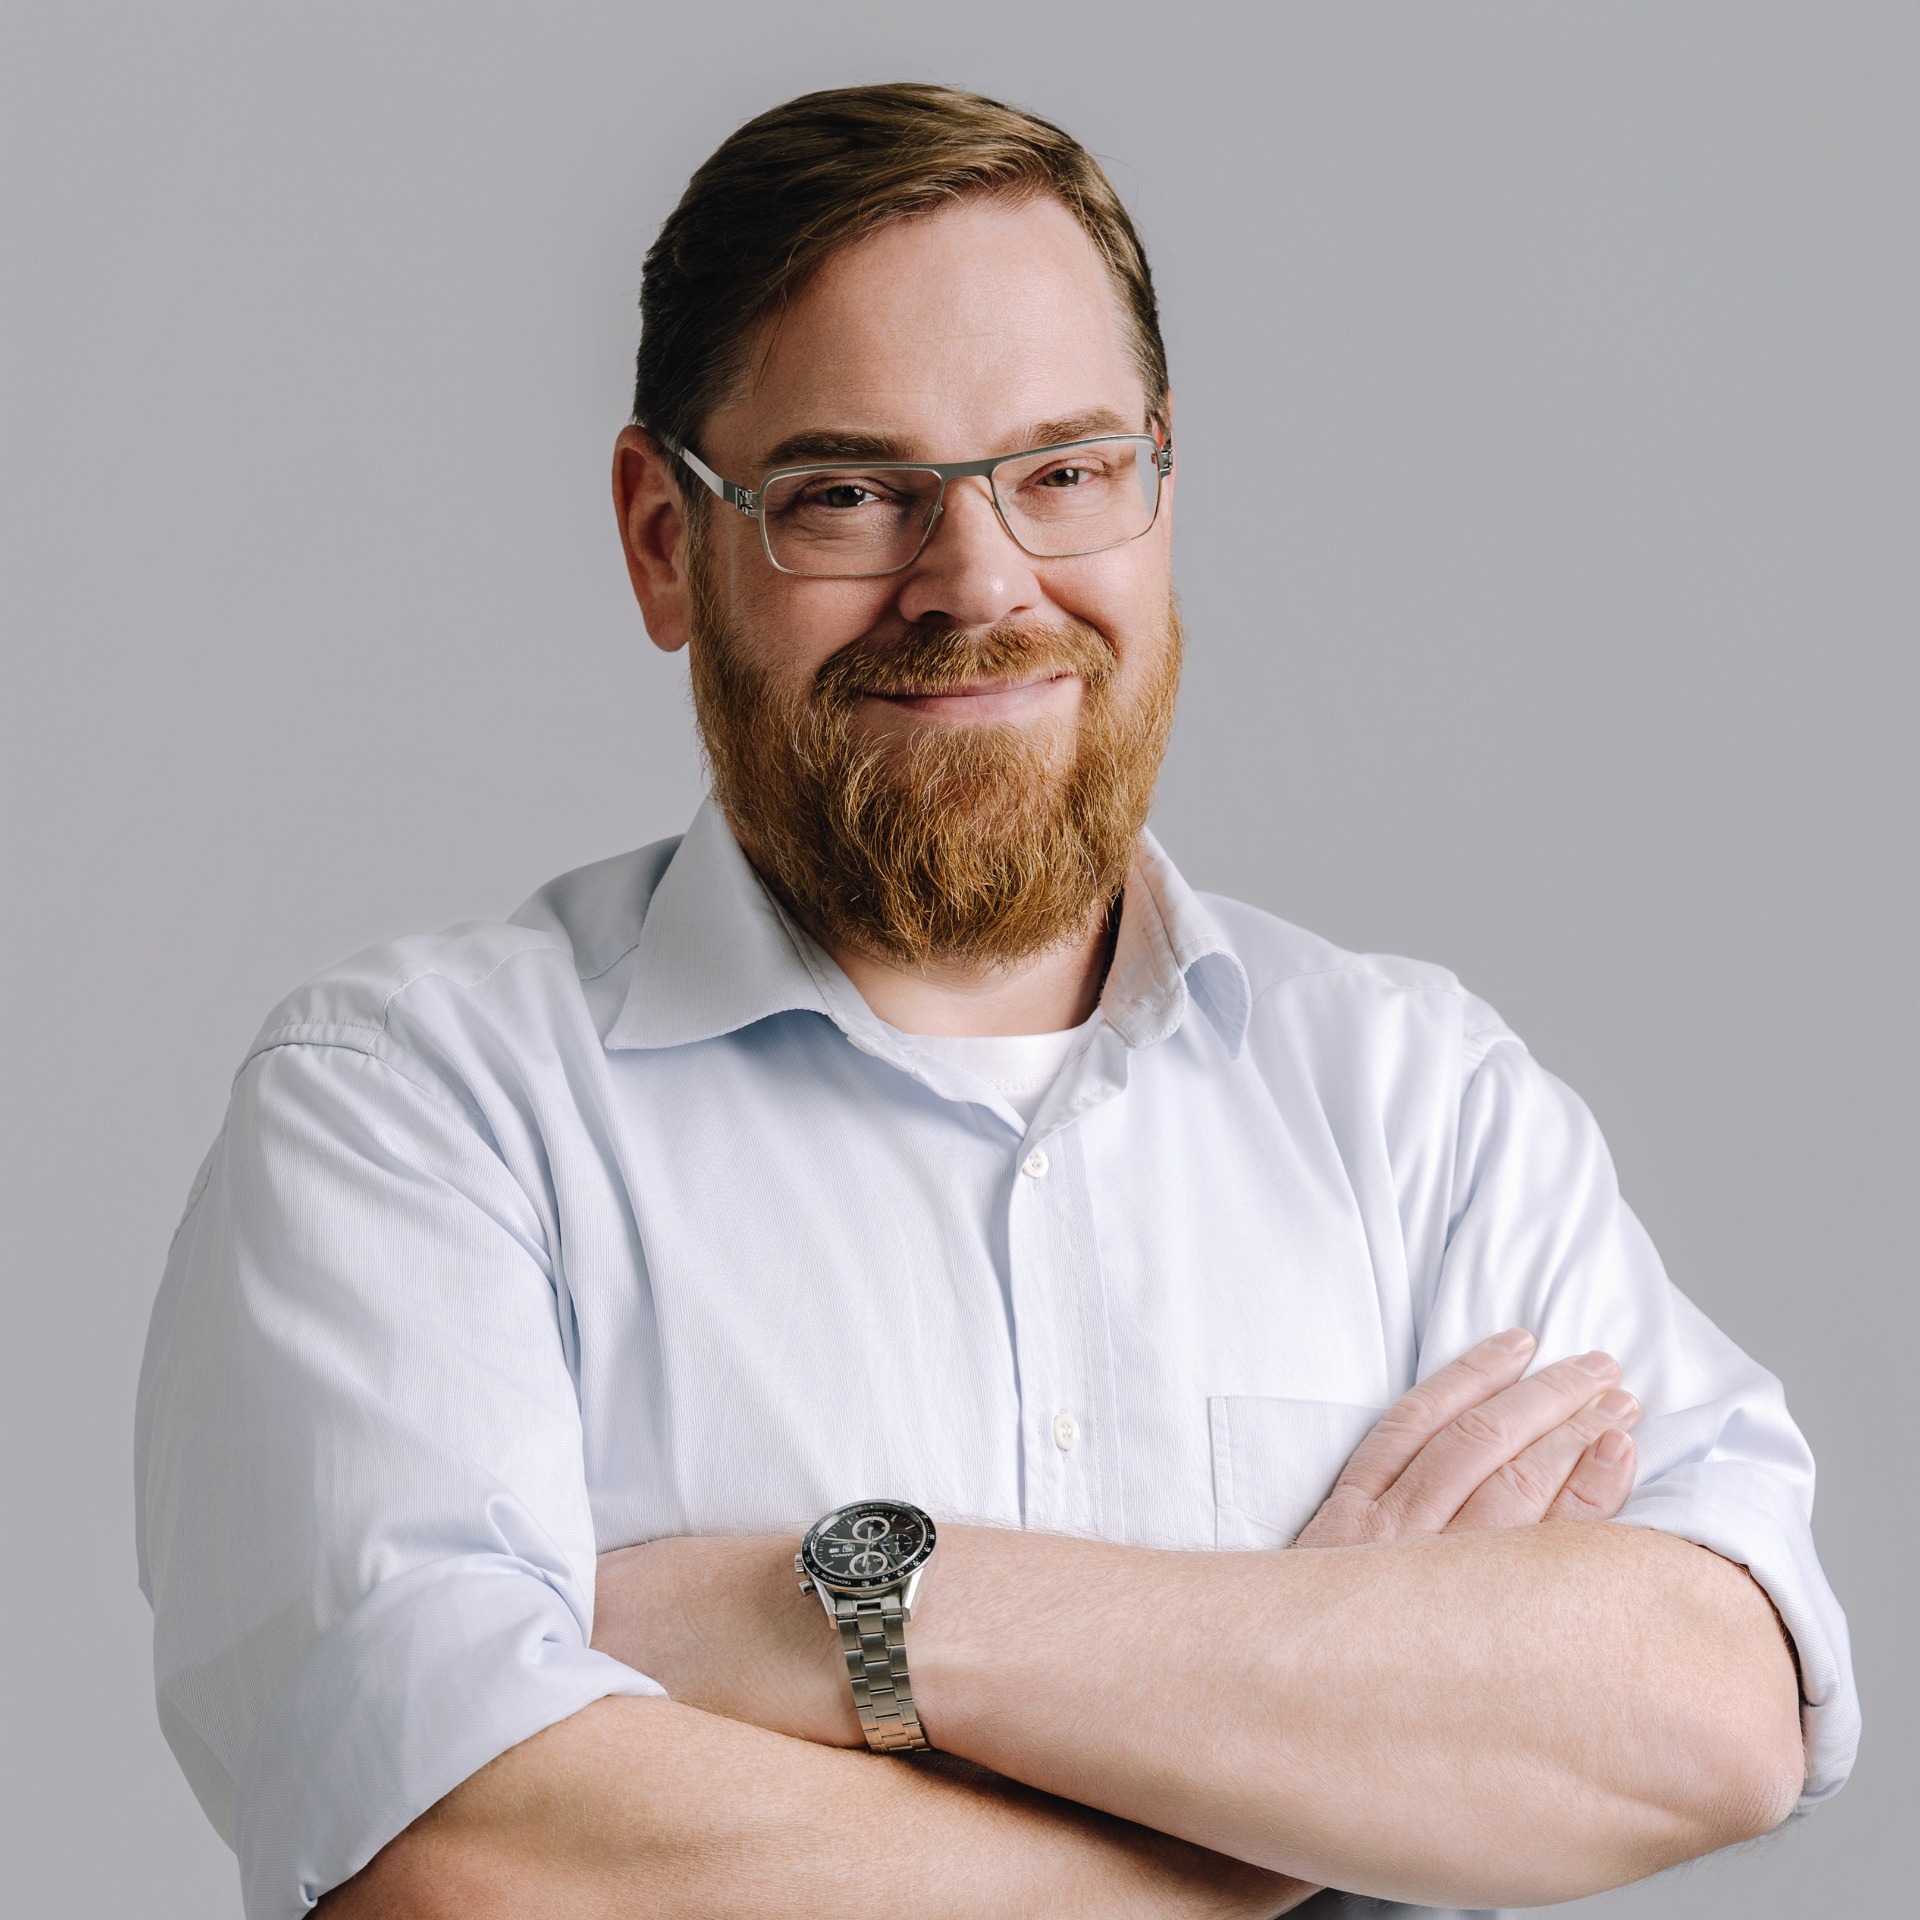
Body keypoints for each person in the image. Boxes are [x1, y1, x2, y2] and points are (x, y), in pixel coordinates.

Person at [135, 84, 1856, 1920]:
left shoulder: (1420, 1106)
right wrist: (1302, 1768)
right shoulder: (413, 1113)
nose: (976, 585)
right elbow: (463, 1852)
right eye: (848, 495)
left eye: (1065, 474)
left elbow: (1713, 1705)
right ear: (662, 537)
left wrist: (854, 1611)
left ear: (1162, 488)